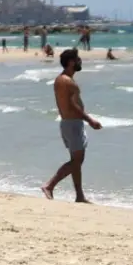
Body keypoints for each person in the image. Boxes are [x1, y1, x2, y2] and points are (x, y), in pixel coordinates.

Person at [42, 49, 101, 203]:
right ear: (71, 62)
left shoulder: (60, 79)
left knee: (77, 160)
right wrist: (90, 120)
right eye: (77, 59)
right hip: (73, 124)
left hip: (68, 123)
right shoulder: (69, 82)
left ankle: (79, 196)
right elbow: (73, 105)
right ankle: (49, 185)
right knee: (76, 160)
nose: (80, 61)